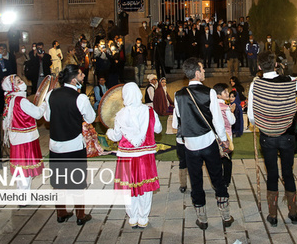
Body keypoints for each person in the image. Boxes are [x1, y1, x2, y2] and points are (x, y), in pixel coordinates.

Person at [248, 51, 297, 227]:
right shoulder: (289, 81)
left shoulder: (255, 84)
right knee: (288, 173)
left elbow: (251, 115)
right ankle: (293, 213)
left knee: (272, 174)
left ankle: (272, 216)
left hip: (267, 136)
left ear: (259, 67)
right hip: (287, 135)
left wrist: (261, 123)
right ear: (275, 65)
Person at [172, 57, 233, 230]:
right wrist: (223, 140)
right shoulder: (210, 92)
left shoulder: (178, 94)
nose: (205, 71)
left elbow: (177, 124)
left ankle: (202, 218)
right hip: (208, 142)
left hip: (190, 145)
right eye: (203, 69)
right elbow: (218, 122)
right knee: (217, 178)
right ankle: (225, 215)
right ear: (197, 73)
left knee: (196, 182)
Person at [44, 64, 96, 225]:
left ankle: (61, 213)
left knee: (58, 182)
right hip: (73, 145)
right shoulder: (80, 97)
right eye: (80, 75)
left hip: (55, 144)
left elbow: (47, 118)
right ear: (74, 80)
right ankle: (80, 215)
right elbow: (91, 117)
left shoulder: (51, 94)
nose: (82, 77)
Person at [106, 83, 162, 228]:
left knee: (128, 188)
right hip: (146, 155)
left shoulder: (121, 114)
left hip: (127, 156)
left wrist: (109, 133)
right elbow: (158, 129)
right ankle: (143, 217)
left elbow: (116, 136)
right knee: (146, 187)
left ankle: (133, 217)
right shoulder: (149, 111)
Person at [1, 75, 45, 194]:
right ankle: (23, 195)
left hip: (17, 137)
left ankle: (23, 192)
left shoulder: (10, 99)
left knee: (21, 168)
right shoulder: (21, 100)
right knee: (25, 168)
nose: (22, 82)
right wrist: (44, 104)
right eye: (18, 82)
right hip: (26, 138)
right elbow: (37, 114)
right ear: (13, 87)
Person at [213, 83, 236, 187]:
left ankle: (217, 180)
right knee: (227, 160)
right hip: (227, 137)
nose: (227, 93)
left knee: (216, 160)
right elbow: (232, 121)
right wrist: (232, 111)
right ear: (218, 95)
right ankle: (226, 181)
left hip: (214, 137)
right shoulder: (225, 107)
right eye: (225, 92)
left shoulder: (212, 106)